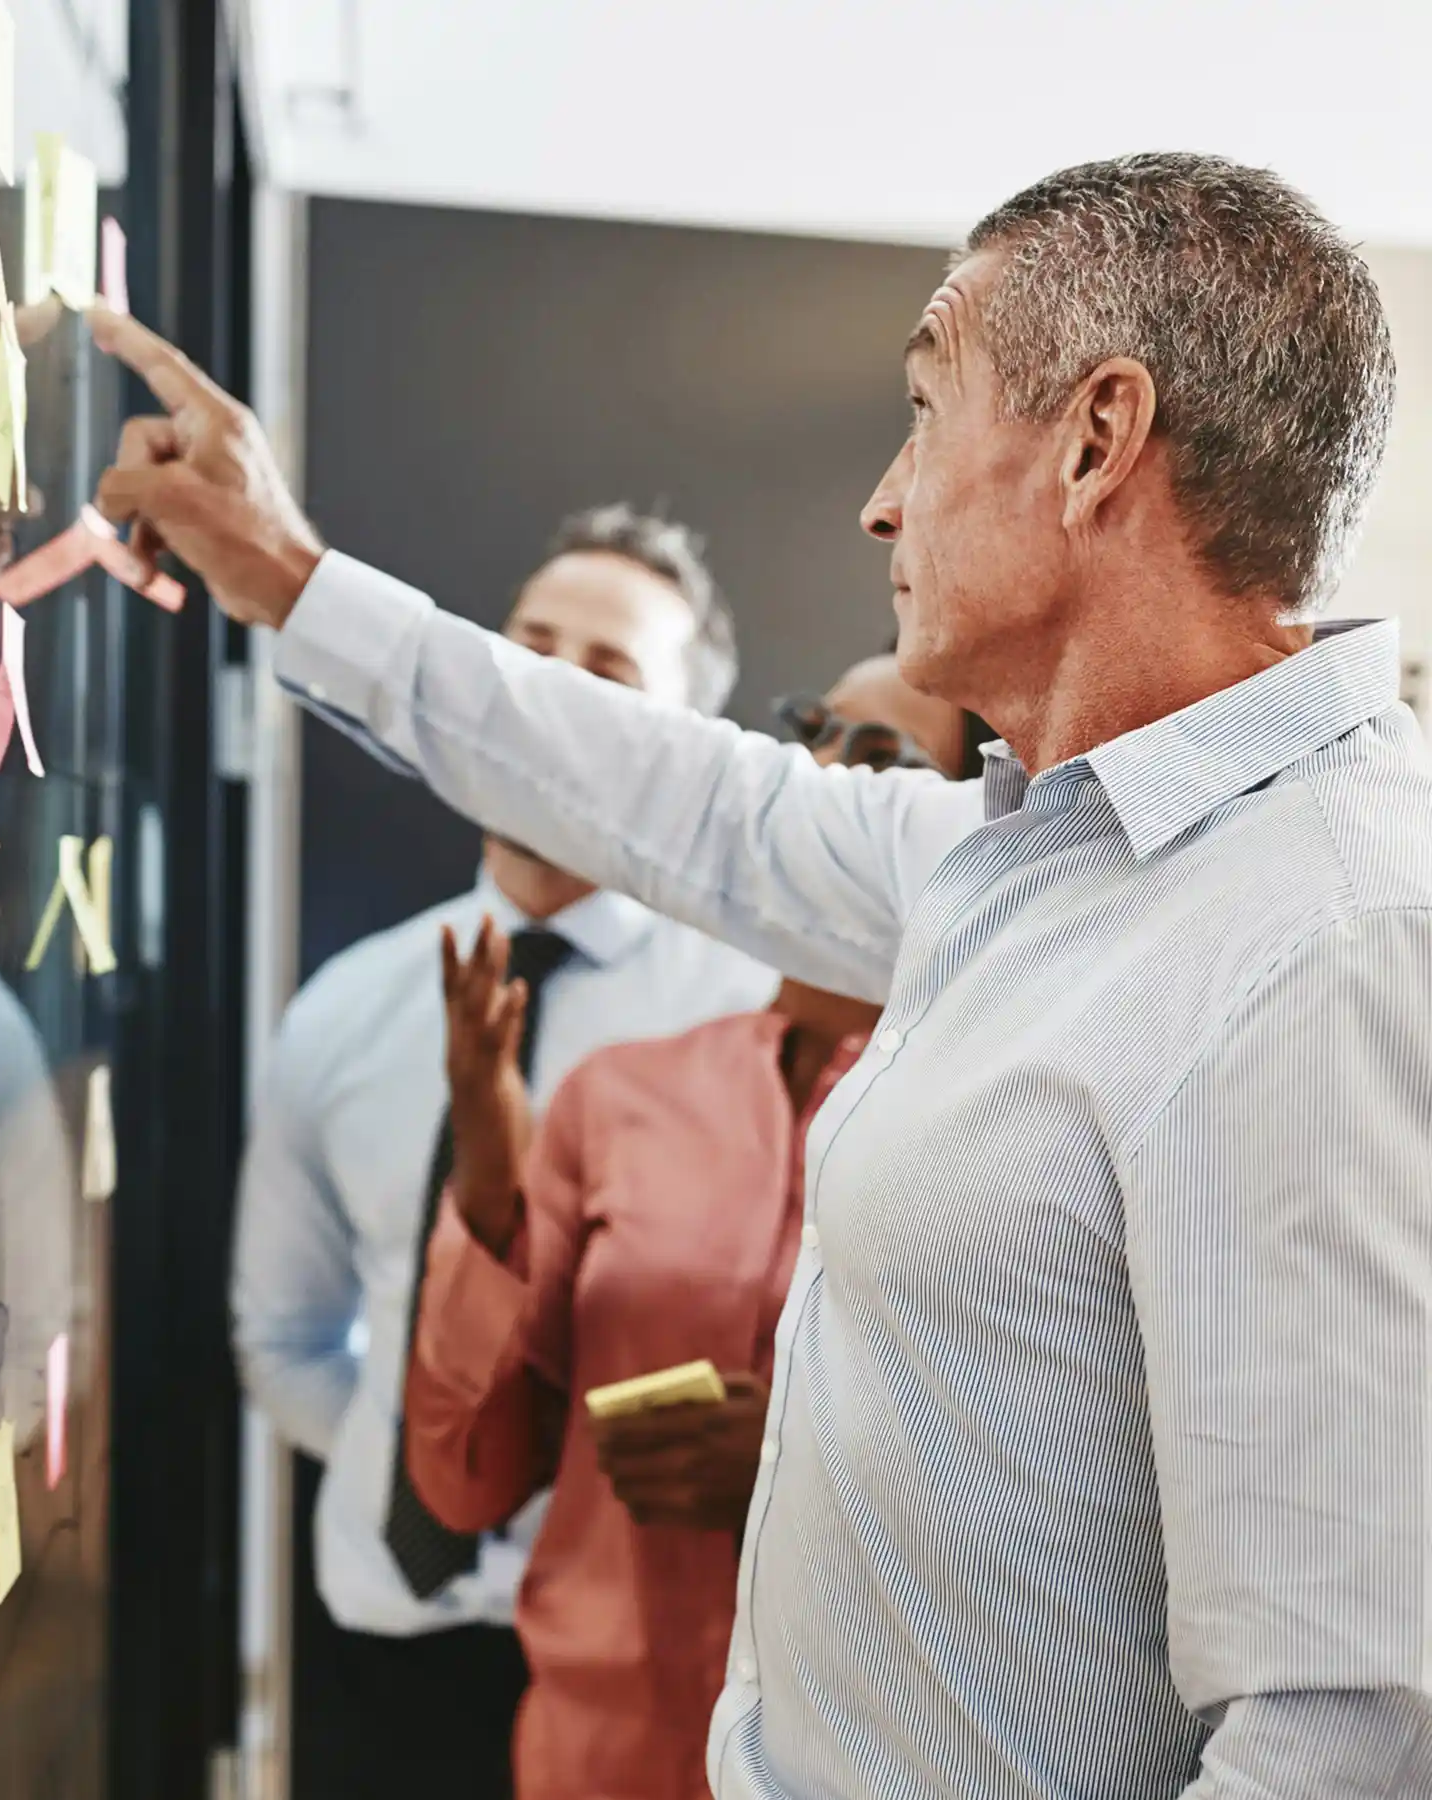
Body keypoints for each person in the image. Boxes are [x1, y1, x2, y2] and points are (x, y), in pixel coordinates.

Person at [91, 150, 1432, 1797]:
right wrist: (283, 577)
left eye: (926, 406)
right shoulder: (1020, 864)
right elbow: (691, 801)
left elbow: (1356, 1724)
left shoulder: (1339, 938)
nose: (883, 497)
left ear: (1095, 441)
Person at [231, 506, 774, 1800]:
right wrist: (420, 1461)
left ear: (682, 738)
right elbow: (284, 1340)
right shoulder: (351, 1007)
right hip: (386, 1642)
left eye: (607, 672)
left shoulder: (755, 1018)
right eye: (527, 650)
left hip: (655, 1661)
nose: (545, 696)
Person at [401, 655, 958, 1800]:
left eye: (878, 760)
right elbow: (466, 1481)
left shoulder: (1001, 1124)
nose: (815, 778)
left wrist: (812, 1473)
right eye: (810, 728)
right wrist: (491, 1192)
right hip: (595, 1757)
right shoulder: (616, 1099)